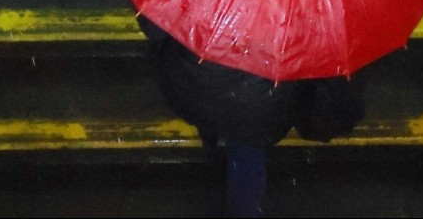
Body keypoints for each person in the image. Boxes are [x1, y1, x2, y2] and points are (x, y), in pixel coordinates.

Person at [137, 14, 365, 218]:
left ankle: (213, 136)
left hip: (197, 81)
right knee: (248, 150)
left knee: (213, 104)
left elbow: (153, 25)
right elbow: (331, 79)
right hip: (263, 102)